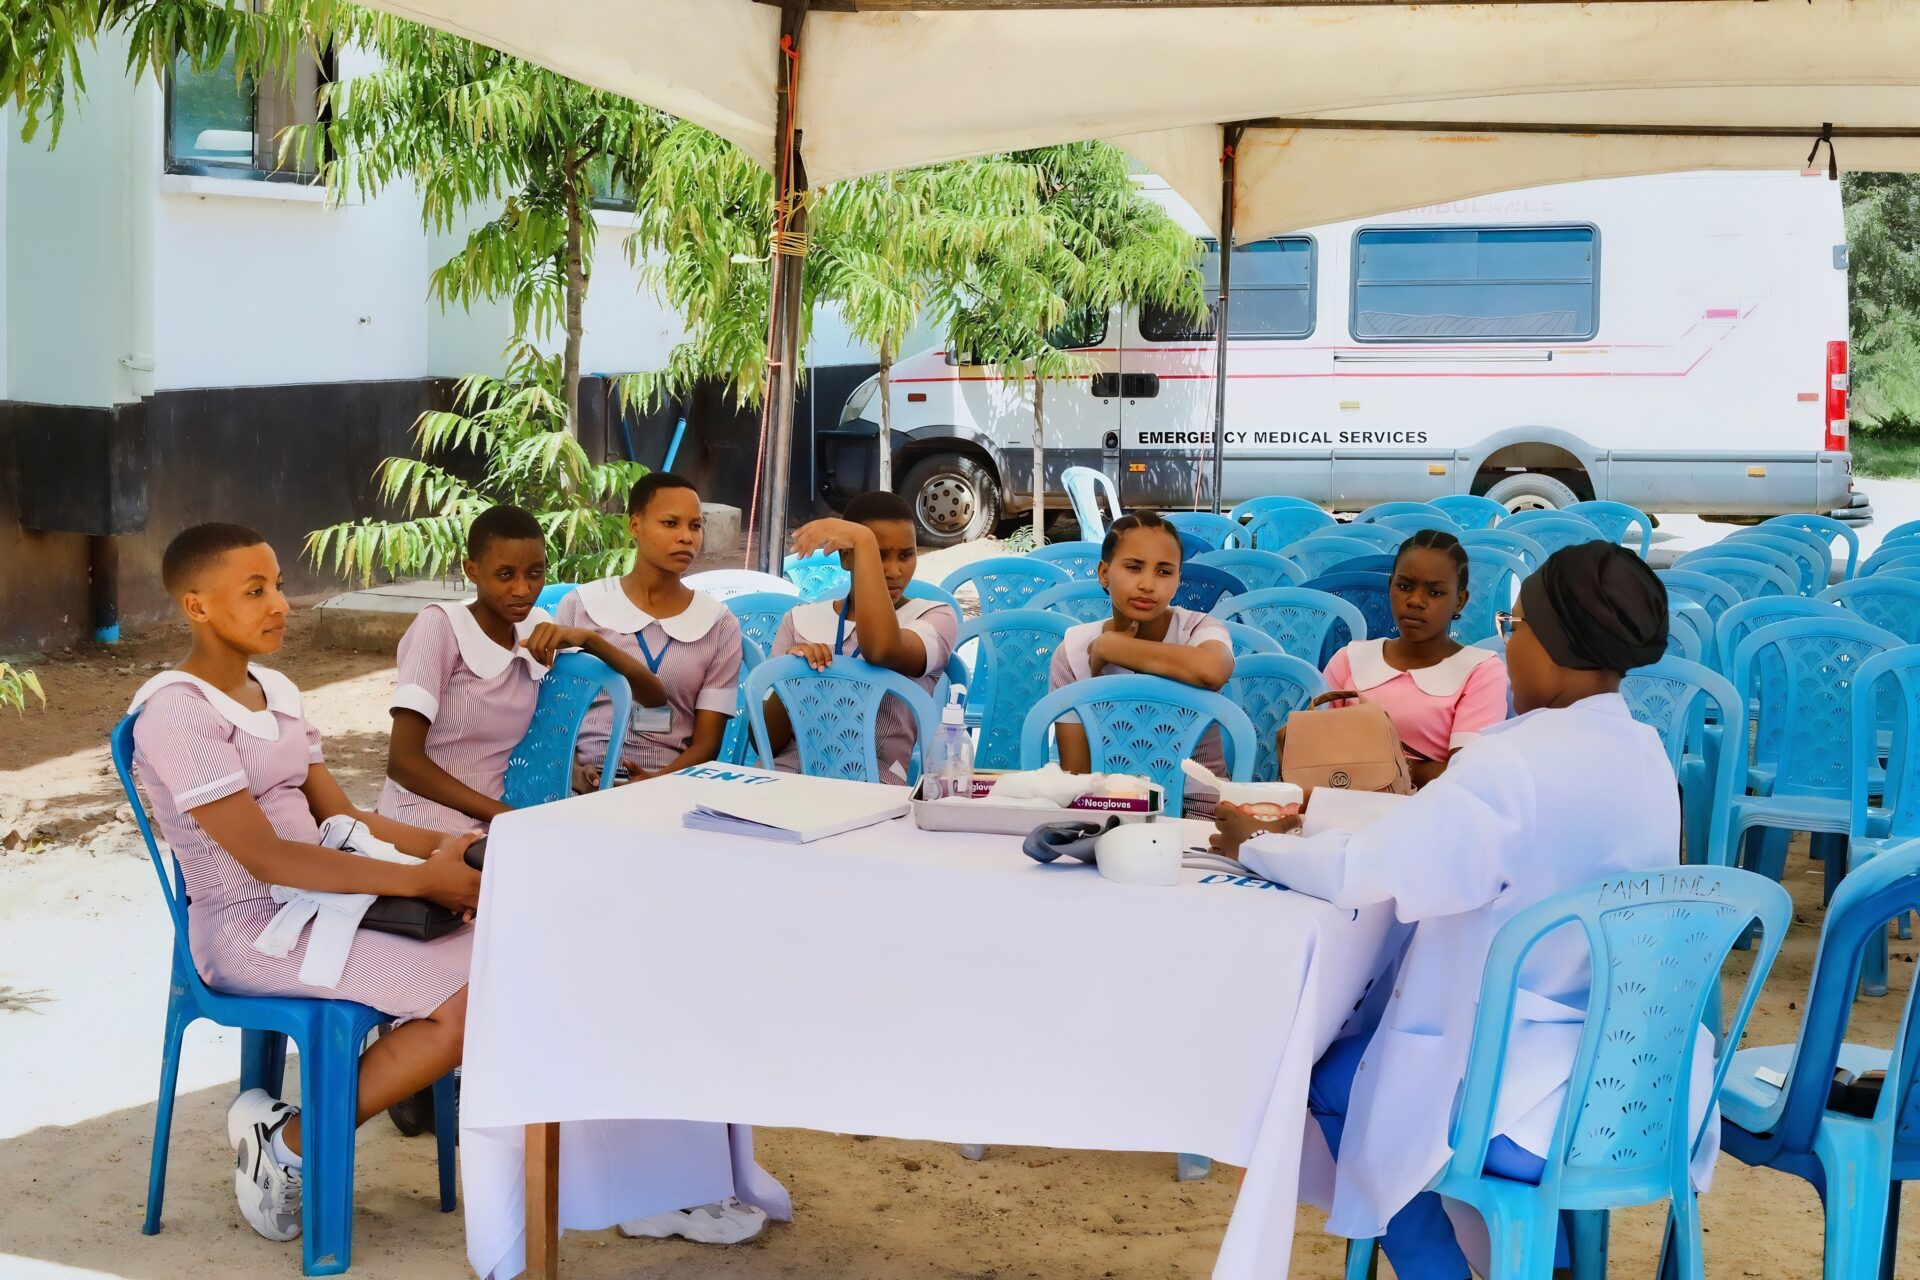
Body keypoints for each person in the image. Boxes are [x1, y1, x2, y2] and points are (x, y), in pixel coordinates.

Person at [1211, 542, 1706, 1280]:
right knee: (1381, 1076)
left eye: (1518, 627)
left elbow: (1364, 873)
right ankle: (1545, 1261)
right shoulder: (1646, 755)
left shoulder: (1515, 764)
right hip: (1632, 1079)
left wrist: (1255, 843)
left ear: (1558, 644)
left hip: (1519, 1092)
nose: (1508, 647)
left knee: (1329, 1085)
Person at [129, 523, 481, 1244]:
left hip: (329, 905)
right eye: (255, 591)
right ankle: (285, 1146)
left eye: (279, 585)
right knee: (468, 1004)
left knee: (502, 960)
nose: (280, 604)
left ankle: (327, 1117)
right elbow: (269, 860)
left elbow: (342, 817)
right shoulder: (176, 712)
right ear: (197, 606)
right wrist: (421, 881)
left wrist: (463, 847)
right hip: (249, 932)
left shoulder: (276, 691)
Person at [528, 472, 743, 786]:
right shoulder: (582, 605)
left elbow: (707, 744)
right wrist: (573, 773)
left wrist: (654, 783)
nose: (686, 537)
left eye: (695, 526)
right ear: (635, 526)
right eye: (671, 523)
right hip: (578, 785)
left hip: (669, 786)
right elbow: (556, 716)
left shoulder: (718, 625)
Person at [762, 491, 959, 783]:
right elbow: (763, 740)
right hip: (789, 780)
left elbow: (881, 649)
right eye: (879, 556)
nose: (894, 571)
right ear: (846, 558)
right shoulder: (800, 620)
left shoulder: (934, 617)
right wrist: (790, 679)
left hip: (875, 786)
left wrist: (864, 541)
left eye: (906, 555)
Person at [1047, 511, 1234, 817]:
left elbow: (1212, 671)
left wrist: (1114, 646)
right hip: (1105, 809)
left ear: (1177, 581)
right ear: (1104, 573)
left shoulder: (1199, 630)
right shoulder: (1072, 653)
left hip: (1198, 809)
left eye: (1164, 572)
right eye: (1134, 567)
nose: (1148, 584)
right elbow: (1077, 775)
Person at [378, 504, 551, 833]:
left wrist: (587, 639)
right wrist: (506, 817)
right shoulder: (441, 626)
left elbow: (651, 693)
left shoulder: (538, 629)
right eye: (505, 574)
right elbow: (403, 763)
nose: (523, 589)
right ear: (472, 570)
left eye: (535, 572)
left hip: (490, 817)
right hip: (424, 811)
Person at [1317, 529, 1509, 788]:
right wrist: (1413, 767)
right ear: (1390, 586)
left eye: (1435, 592)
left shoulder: (1480, 670)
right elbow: (1315, 754)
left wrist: (1370, 765)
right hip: (1341, 804)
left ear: (1460, 601)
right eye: (1404, 586)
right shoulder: (1350, 658)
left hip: (1431, 814)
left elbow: (1466, 774)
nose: (1415, 601)